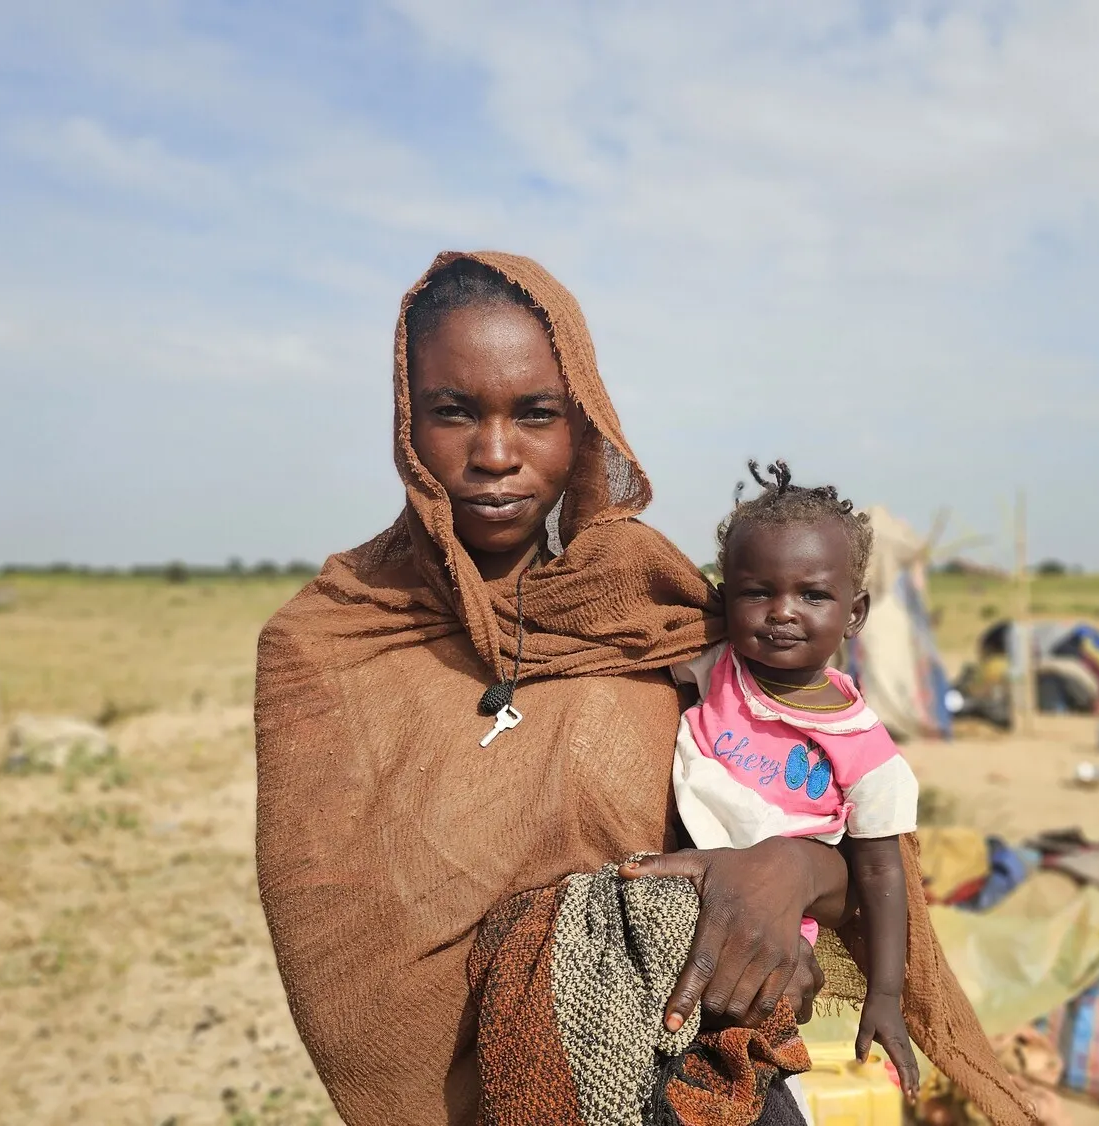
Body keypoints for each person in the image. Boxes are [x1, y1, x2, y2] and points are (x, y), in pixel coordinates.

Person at [254, 252, 1035, 1126]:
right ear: (407, 420)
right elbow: (345, 959)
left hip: (703, 1074)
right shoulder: (330, 645)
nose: (495, 454)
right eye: (453, 413)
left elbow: (850, 860)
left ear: (582, 423)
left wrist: (791, 866)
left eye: (536, 413)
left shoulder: (656, 608)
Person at [671, 459, 922, 1098]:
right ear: (725, 597)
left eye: (812, 595)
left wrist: (885, 995)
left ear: (855, 611)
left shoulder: (864, 747)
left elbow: (880, 872)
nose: (783, 613)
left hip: (773, 934)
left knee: (737, 1064)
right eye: (758, 592)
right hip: (673, 889)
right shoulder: (711, 665)